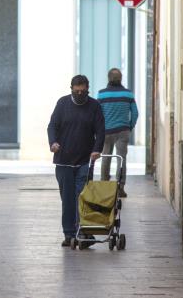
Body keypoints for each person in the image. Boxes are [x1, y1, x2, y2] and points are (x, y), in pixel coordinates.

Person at [47, 75, 105, 249]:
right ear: (71, 88)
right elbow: (52, 126)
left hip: (85, 160)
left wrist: (97, 149)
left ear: (88, 89)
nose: (80, 93)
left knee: (83, 197)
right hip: (64, 160)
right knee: (67, 199)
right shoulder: (62, 104)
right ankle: (69, 234)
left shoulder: (94, 106)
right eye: (77, 90)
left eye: (83, 91)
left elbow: (100, 130)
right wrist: (53, 142)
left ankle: (84, 232)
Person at [97, 68, 139, 198]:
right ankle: (120, 188)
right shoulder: (128, 94)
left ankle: (104, 185)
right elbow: (135, 113)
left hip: (106, 132)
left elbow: (98, 115)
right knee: (121, 159)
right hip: (123, 131)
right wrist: (129, 127)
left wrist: (99, 130)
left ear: (109, 79)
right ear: (121, 79)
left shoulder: (101, 94)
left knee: (106, 157)